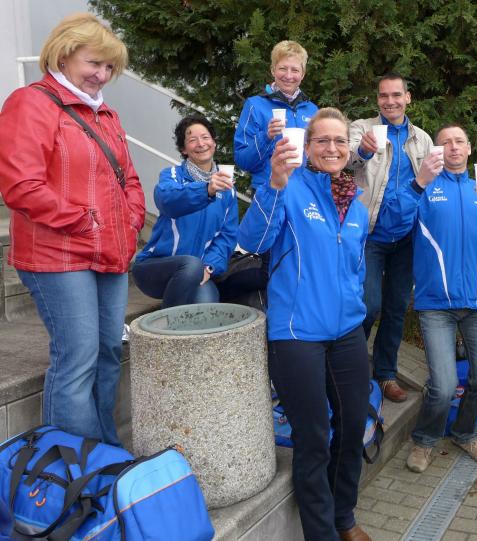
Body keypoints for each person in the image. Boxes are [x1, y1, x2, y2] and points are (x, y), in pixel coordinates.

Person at [0, 13, 145, 444]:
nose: (102, 74)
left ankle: (102, 452)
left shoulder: (106, 114)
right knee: (78, 358)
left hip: (109, 252)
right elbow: (20, 185)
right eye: (93, 63)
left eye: (109, 67)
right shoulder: (31, 103)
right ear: (63, 57)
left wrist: (131, 221)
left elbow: (130, 179)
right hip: (57, 254)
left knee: (108, 354)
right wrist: (84, 220)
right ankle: (69, 462)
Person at [238, 108, 372, 541]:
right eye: (322, 140)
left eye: (340, 141)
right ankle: (321, 533)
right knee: (313, 437)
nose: (332, 148)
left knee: (353, 426)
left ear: (349, 148)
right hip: (296, 335)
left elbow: (355, 267)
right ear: (308, 146)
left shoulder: (356, 205)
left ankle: (343, 516)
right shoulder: (288, 187)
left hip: (347, 331)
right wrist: (275, 184)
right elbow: (252, 242)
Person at [398, 124, 477, 473]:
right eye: (445, 142)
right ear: (436, 150)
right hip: (436, 304)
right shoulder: (425, 189)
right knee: (444, 385)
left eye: (459, 141)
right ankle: (424, 440)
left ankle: (465, 433)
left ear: (469, 148)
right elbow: (395, 223)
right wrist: (416, 184)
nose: (453, 147)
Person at [349, 73, 433, 403]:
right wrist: (363, 150)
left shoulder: (422, 139)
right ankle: (351, 369)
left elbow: (430, 185)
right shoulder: (362, 128)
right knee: (368, 305)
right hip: (370, 234)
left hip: (407, 237)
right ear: (377, 100)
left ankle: (385, 374)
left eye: (396, 95)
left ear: (408, 97)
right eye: (384, 95)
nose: (390, 101)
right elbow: (345, 159)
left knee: (397, 308)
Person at [132, 115, 238, 308]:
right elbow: (167, 200)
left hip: (198, 270)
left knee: (206, 305)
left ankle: (172, 323)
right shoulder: (172, 176)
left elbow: (226, 236)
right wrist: (206, 189)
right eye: (192, 140)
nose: (201, 144)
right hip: (155, 266)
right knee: (191, 265)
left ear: (214, 143)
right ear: (183, 149)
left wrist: (210, 266)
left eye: (205, 137)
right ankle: (166, 325)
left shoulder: (228, 190)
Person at [234, 40, 318, 192]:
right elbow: (243, 161)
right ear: (273, 70)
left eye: (295, 70)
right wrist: (267, 137)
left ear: (303, 74)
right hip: (268, 190)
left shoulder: (312, 110)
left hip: (303, 194)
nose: (288, 75)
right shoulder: (255, 105)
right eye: (282, 68)